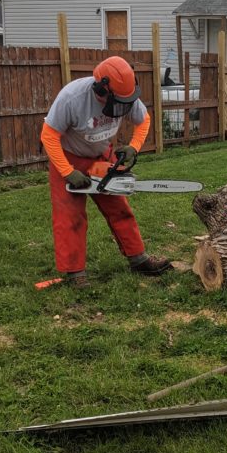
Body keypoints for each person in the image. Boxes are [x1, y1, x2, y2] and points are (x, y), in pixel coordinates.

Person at [40, 56, 172, 285]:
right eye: (118, 100)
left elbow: (144, 120)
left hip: (101, 155)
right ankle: (75, 273)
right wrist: (67, 171)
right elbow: (48, 136)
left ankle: (138, 258)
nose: (123, 106)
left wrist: (134, 147)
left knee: (119, 206)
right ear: (102, 89)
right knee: (70, 216)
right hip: (69, 157)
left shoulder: (125, 96)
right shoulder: (72, 98)